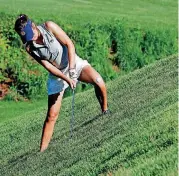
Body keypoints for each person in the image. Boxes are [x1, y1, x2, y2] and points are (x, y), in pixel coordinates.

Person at [14, 14, 110, 152]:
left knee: (98, 81)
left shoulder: (49, 26)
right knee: (52, 115)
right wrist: (67, 79)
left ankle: (105, 111)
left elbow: (69, 44)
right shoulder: (30, 47)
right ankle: (42, 151)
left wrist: (71, 69)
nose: (30, 39)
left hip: (73, 62)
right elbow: (49, 67)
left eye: (31, 34)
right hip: (57, 76)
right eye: (26, 38)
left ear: (33, 26)